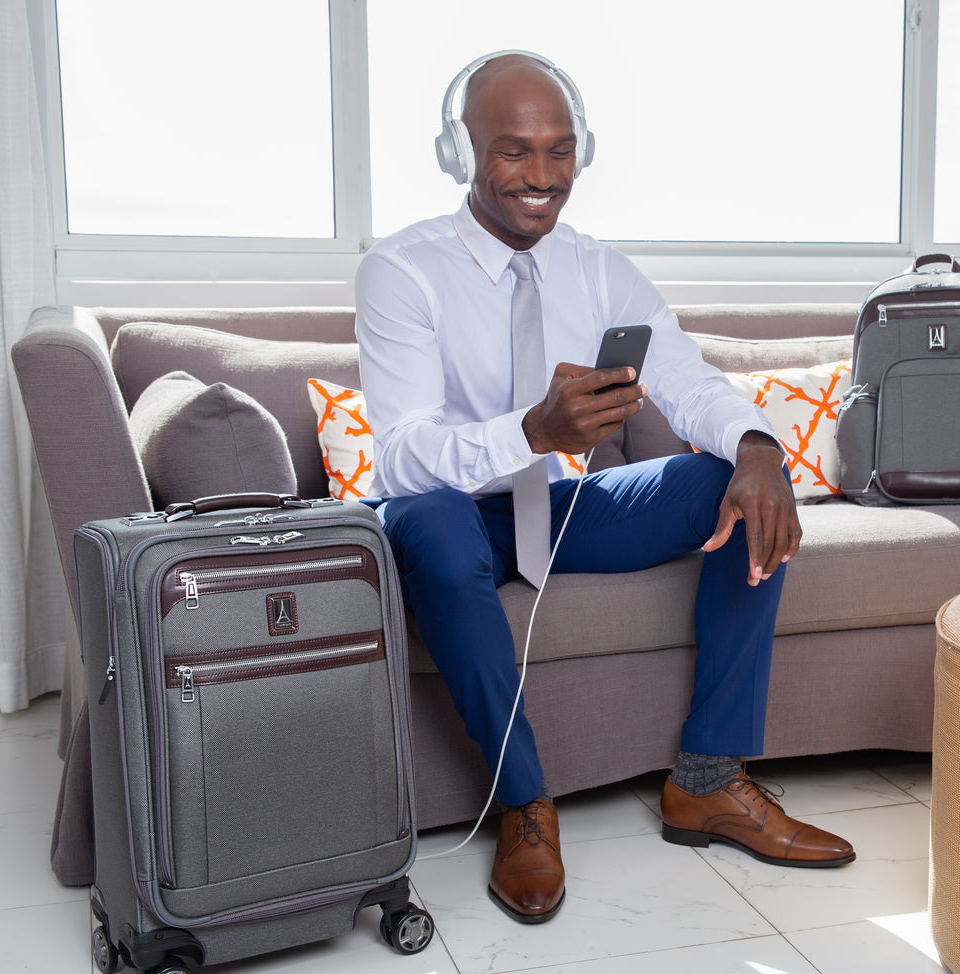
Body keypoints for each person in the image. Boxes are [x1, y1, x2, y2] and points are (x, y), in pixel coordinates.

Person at [353, 51, 854, 925]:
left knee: (727, 482)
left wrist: (758, 449)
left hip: (557, 509)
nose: (542, 176)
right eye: (513, 150)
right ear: (458, 153)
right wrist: (532, 431)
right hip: (450, 512)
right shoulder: (401, 271)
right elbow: (399, 456)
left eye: (560, 151)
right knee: (431, 521)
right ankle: (525, 805)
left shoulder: (597, 268)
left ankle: (708, 781)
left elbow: (689, 381)